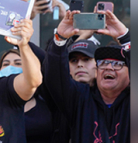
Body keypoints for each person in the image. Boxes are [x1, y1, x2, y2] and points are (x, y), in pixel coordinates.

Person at [44, 10, 130, 142]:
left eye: (117, 64)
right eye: (103, 63)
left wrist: (125, 38)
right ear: (97, 70)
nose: (109, 67)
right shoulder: (80, 98)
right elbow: (56, 78)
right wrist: (60, 39)